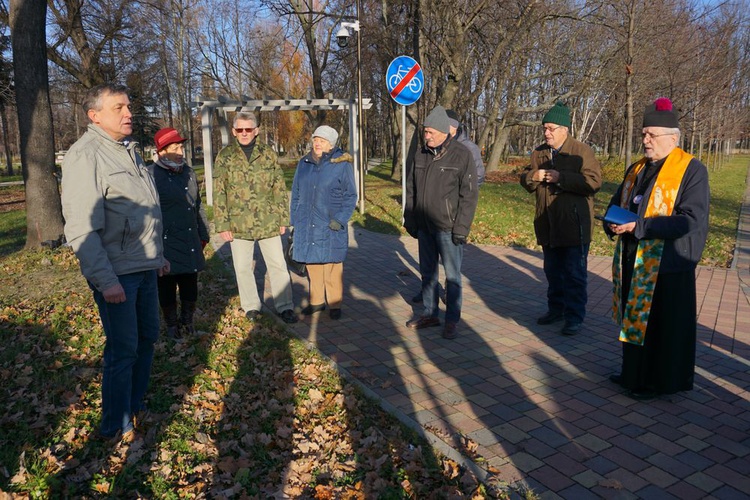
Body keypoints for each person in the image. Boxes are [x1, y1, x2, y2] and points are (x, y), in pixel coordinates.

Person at [61, 83, 170, 440]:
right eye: (119, 108)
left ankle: (134, 405)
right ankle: (114, 423)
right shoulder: (86, 155)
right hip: (118, 274)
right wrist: (105, 280)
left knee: (147, 337)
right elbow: (81, 227)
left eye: (128, 106)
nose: (128, 113)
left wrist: (158, 255)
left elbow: (143, 212)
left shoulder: (128, 150)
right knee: (123, 348)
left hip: (144, 267)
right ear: (94, 115)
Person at [605, 98, 709, 400]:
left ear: (673, 138)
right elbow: (618, 203)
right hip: (633, 256)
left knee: (662, 327)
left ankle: (656, 382)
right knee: (634, 318)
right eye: (643, 134)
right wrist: (611, 222)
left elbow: (690, 219)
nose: (645, 140)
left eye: (652, 135)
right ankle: (632, 373)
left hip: (668, 262)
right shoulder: (637, 168)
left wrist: (641, 227)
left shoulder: (691, 169)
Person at [520, 101, 602, 335]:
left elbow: (594, 182)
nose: (546, 132)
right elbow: (526, 180)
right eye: (544, 128)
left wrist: (561, 177)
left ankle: (574, 317)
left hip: (574, 226)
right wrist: (533, 176)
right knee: (552, 272)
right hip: (548, 224)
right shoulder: (538, 152)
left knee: (574, 274)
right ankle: (555, 309)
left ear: (564, 130)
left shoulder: (581, 151)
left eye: (551, 128)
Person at [213, 112, 298, 324]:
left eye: (248, 129)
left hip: (268, 220)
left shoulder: (267, 154)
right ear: (233, 131)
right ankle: (251, 306)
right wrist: (222, 224)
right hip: (238, 223)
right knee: (242, 267)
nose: (244, 133)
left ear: (256, 130)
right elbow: (219, 191)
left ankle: (285, 306)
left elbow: (279, 187)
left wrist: (282, 219)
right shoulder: (225, 156)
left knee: (278, 265)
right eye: (240, 130)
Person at [403, 105, 479, 340]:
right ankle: (430, 313)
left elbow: (469, 195)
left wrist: (461, 228)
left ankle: (452, 319)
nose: (426, 137)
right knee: (428, 273)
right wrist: (410, 218)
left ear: (445, 131)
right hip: (425, 227)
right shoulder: (421, 154)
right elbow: (411, 189)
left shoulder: (461, 155)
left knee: (453, 276)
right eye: (425, 132)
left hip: (448, 228)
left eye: (431, 133)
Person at [290, 125, 358, 320]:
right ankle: (316, 301)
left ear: (331, 144)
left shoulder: (341, 164)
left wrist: (340, 219)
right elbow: (295, 192)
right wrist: (294, 219)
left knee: (332, 265)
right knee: (313, 264)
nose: (317, 143)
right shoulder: (304, 163)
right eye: (315, 139)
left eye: (322, 140)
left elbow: (350, 195)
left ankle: (335, 303)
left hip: (330, 223)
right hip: (307, 222)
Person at [152, 128, 210, 338]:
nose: (180, 151)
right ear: (161, 151)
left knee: (189, 283)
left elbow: (198, 205)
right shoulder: (152, 175)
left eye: (181, 146)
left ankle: (188, 321)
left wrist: (204, 232)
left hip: (189, 238)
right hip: (164, 240)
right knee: (166, 285)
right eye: (174, 147)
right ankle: (171, 325)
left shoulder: (188, 172)